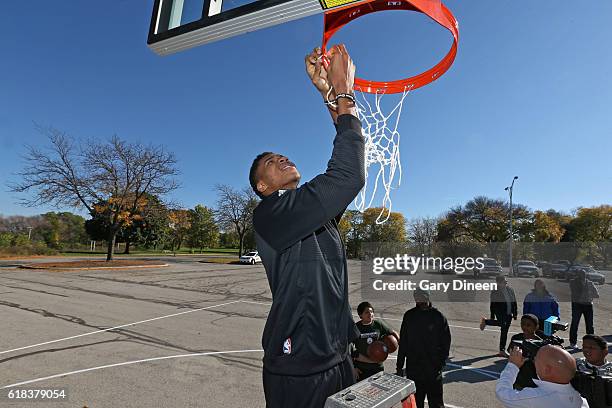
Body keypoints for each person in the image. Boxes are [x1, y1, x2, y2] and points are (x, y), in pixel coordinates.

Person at [251, 44, 364, 408]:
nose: (282, 157)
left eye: (282, 154)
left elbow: (330, 286)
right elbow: (347, 176)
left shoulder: (316, 217)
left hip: (337, 358)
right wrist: (344, 92)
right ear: (262, 187)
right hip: (297, 367)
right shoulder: (271, 214)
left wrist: (329, 98)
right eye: (271, 161)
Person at [396, 289, 451, 408]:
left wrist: (440, 363)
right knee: (415, 403)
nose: (420, 300)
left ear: (428, 297)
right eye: (418, 297)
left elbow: (446, 342)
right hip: (415, 371)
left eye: (423, 297)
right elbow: (404, 342)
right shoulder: (409, 316)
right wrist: (399, 366)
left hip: (433, 371)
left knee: (436, 404)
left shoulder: (438, 317)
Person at [496, 345, 589, 407]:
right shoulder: (581, 400)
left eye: (536, 359)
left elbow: (503, 393)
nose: (534, 360)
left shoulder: (536, 397)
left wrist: (513, 365)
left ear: (547, 370)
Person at [351, 301, 399, 381]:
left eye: (371, 312)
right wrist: (354, 367)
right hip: (362, 368)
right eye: (367, 312)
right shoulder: (356, 328)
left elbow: (393, 332)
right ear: (360, 315)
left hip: (377, 367)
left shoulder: (378, 324)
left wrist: (396, 344)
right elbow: (349, 350)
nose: (370, 314)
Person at [479, 275, 517, 357]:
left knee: (505, 331)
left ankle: (486, 321)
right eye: (504, 282)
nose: (506, 283)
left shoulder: (510, 290)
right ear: (498, 283)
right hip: (500, 313)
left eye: (506, 281)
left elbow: (514, 301)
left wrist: (515, 313)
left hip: (509, 313)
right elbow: (492, 305)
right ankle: (502, 350)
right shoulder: (495, 292)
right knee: (503, 326)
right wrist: (492, 315)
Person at [507, 314, 542, 390]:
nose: (525, 327)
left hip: (534, 382)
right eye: (522, 324)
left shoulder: (540, 342)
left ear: (536, 327)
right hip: (518, 379)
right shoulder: (516, 338)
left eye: (528, 325)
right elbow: (510, 354)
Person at [569, 270, 599, 348]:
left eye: (583, 274)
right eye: (580, 274)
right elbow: (575, 293)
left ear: (586, 275)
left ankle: (591, 343)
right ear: (578, 275)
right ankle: (573, 342)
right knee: (575, 324)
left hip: (588, 305)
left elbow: (596, 294)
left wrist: (589, 295)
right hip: (577, 305)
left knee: (590, 325)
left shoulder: (590, 283)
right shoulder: (573, 282)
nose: (582, 275)